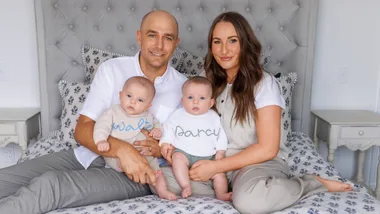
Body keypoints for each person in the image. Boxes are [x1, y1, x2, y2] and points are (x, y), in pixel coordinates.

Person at [0, 10, 197, 214]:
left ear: (176, 43)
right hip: (89, 154)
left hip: (136, 173)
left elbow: (190, 148)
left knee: (49, 186)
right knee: (5, 180)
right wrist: (122, 149)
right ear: (139, 36)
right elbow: (83, 129)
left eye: (168, 38)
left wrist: (160, 150)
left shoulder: (185, 89)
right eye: (152, 35)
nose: (159, 45)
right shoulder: (112, 70)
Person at [185, 12, 353, 214]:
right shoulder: (205, 80)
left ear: (245, 43)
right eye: (217, 42)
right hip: (214, 165)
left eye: (232, 41)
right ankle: (227, 189)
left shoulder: (263, 83)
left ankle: (308, 183)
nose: (224, 50)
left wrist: (215, 168)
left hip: (255, 164)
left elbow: (268, 148)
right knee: (168, 183)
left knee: (250, 202)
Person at [93, 76, 177, 200]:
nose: (133, 102)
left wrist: (157, 131)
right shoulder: (114, 111)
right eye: (129, 96)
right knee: (123, 164)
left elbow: (156, 125)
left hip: (144, 154)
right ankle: (142, 175)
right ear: (120, 95)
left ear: (148, 105)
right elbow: (102, 125)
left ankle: (162, 190)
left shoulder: (147, 116)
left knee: (158, 173)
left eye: (140, 100)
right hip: (118, 155)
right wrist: (101, 140)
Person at [160, 76, 231, 201]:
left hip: (208, 157)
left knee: (219, 174)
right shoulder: (178, 114)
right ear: (182, 101)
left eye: (202, 98)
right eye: (190, 97)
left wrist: (220, 152)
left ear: (211, 103)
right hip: (184, 153)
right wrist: (165, 142)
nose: (195, 102)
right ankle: (185, 185)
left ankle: (221, 194)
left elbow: (221, 135)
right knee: (177, 159)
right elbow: (168, 128)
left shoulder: (213, 117)